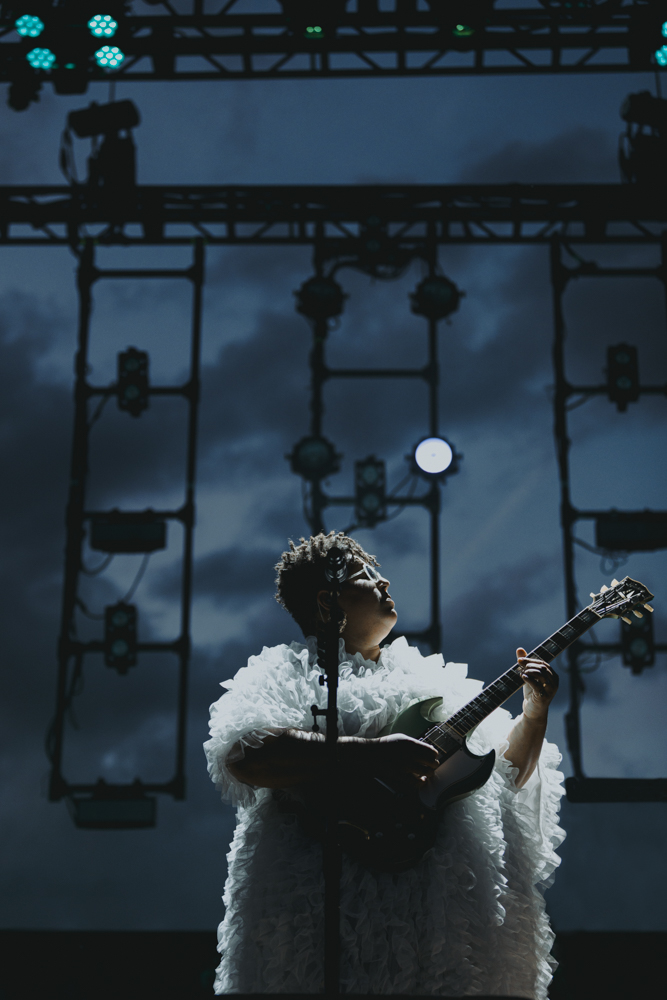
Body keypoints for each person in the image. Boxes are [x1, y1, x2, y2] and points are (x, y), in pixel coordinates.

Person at [204, 532, 565, 997]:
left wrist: (535, 713)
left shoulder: (434, 682)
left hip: (437, 924)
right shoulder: (286, 675)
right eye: (365, 574)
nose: (384, 580)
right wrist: (371, 753)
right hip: (324, 915)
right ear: (326, 600)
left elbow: (503, 773)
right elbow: (248, 754)